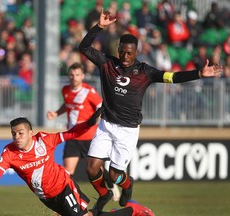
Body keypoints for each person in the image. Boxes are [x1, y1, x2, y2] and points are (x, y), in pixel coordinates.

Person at [78, 8, 223, 212]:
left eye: (129, 52)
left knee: (114, 175)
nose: (125, 56)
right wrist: (99, 27)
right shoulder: (107, 64)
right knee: (91, 169)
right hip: (106, 124)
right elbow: (83, 48)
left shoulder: (145, 72)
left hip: (128, 130)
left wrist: (199, 73)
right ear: (118, 50)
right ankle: (105, 194)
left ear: (137, 52)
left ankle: (127, 185)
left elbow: (171, 77)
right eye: (122, 51)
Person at [0, 111, 147, 216]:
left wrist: (88, 124)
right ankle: (127, 211)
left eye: (20, 133)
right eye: (13, 134)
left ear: (30, 133)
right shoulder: (9, 151)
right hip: (46, 198)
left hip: (63, 187)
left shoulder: (44, 140)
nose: (16, 137)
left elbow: (70, 133)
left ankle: (133, 211)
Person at [46, 62, 120, 202]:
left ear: (83, 76)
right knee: (68, 171)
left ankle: (110, 186)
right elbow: (67, 105)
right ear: (69, 75)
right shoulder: (65, 90)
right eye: (72, 75)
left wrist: (99, 120)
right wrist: (56, 113)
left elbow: (101, 106)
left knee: (96, 169)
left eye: (77, 75)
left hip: (89, 137)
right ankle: (71, 198)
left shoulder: (89, 92)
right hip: (72, 136)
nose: (74, 77)